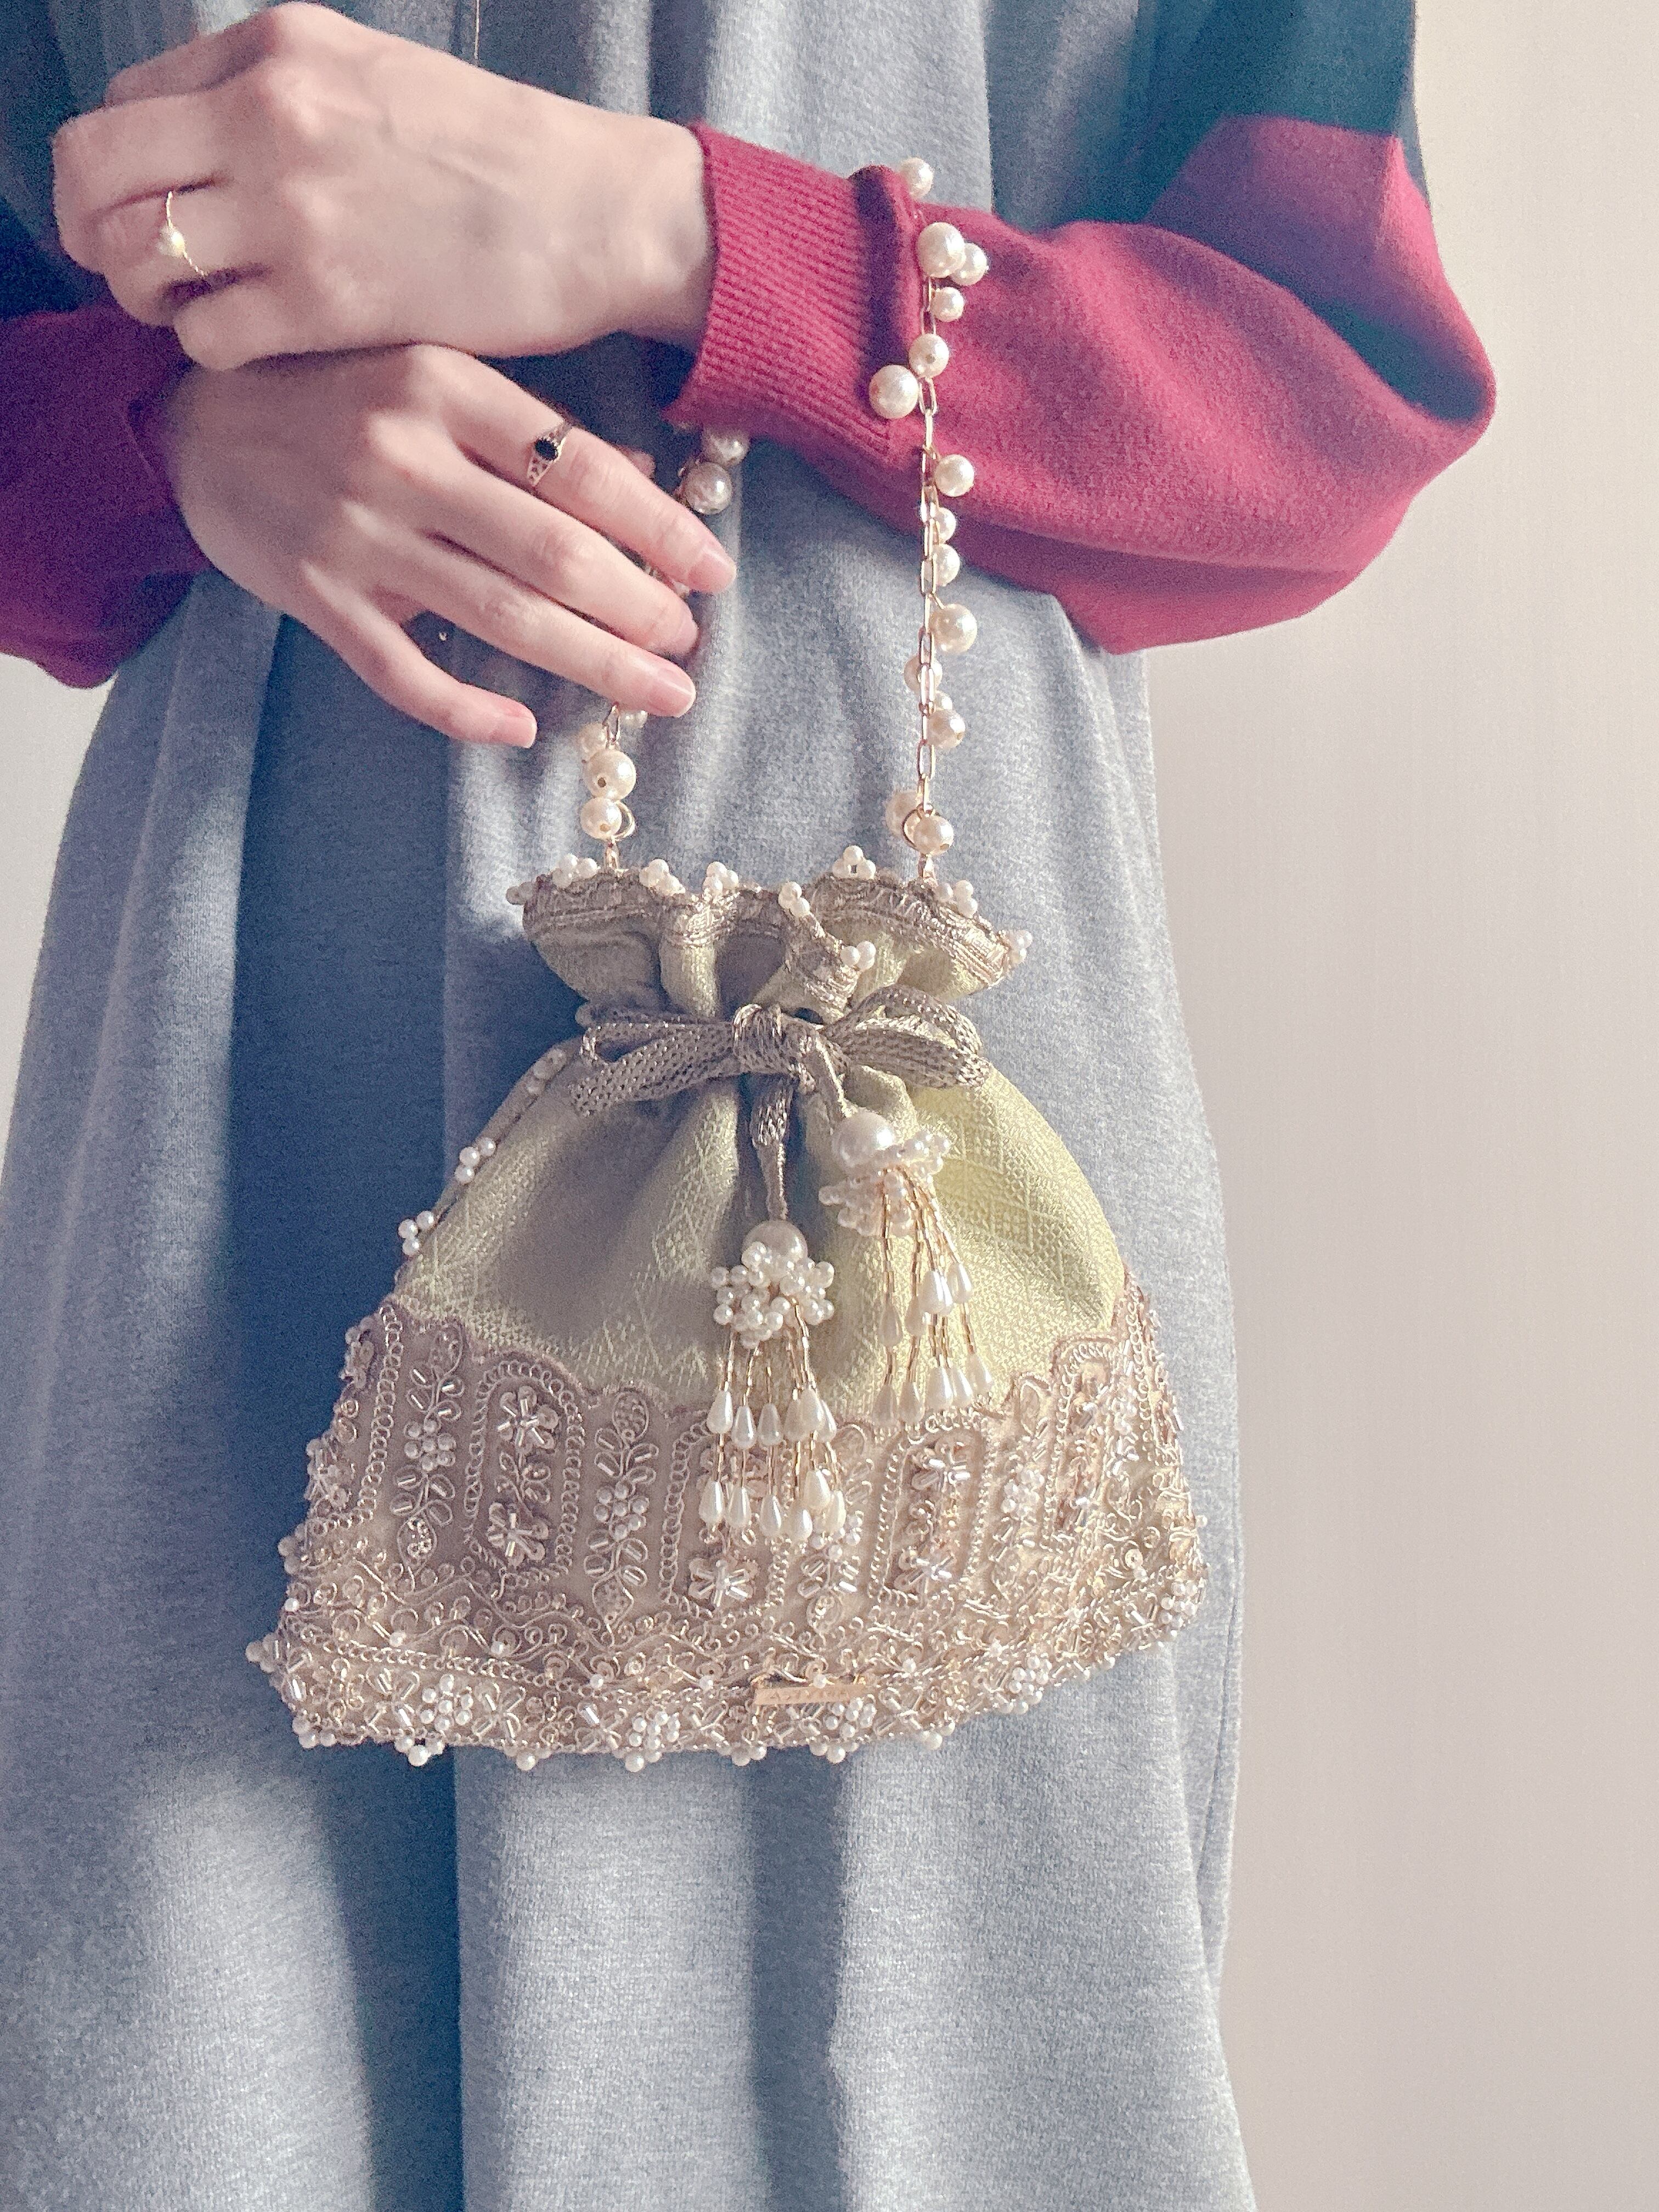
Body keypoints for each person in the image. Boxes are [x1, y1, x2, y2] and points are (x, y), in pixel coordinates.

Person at [0, 4, 1493, 2206]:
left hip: (911, 1152)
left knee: (925, 2083)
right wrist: (174, 442)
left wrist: (683, 234)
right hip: (246, 1097)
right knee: (217, 2052)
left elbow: (1328, 394)